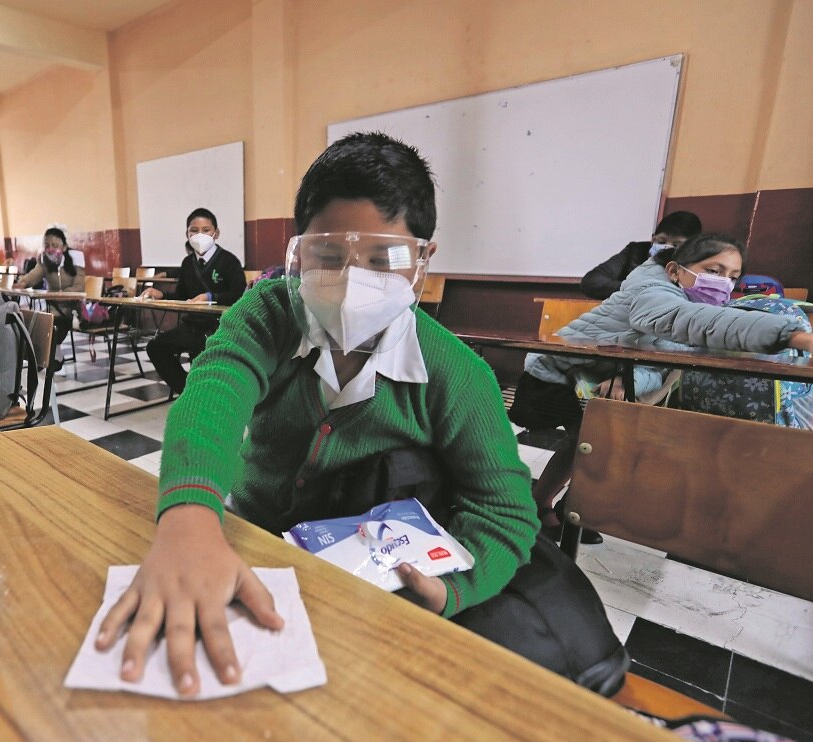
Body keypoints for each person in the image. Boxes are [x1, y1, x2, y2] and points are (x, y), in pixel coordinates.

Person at [97, 132, 540, 697]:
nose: (353, 280)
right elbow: (213, 393)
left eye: (385, 260)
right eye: (328, 256)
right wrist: (189, 517)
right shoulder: (271, 314)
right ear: (298, 250)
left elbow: (505, 512)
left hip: (369, 589)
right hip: (252, 545)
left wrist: (454, 589)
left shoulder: (456, 374)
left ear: (422, 259)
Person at [510, 233, 813, 542]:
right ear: (675, 270)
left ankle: (548, 506)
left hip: (602, 378)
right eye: (714, 270)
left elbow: (658, 361)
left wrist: (633, 382)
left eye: (733, 277)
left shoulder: (693, 300)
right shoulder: (652, 292)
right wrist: (792, 334)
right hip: (555, 373)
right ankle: (547, 508)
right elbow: (677, 324)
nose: (724, 284)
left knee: (589, 442)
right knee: (589, 443)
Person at [141, 208, 246, 395]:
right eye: (194, 230)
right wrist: (162, 295)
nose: (200, 235)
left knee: (202, 352)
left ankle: (207, 394)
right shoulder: (187, 263)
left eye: (206, 230)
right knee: (156, 347)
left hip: (220, 327)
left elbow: (238, 293)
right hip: (193, 326)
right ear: (187, 234)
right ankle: (189, 391)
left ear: (216, 233)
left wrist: (211, 297)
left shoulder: (229, 261)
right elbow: (182, 296)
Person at [580, 211, 702, 300]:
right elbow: (592, 280)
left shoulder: (694, 265)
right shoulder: (635, 251)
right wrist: (639, 289)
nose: (666, 247)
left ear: (690, 247)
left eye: (676, 245)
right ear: (652, 238)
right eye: (660, 241)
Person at [12, 226, 84, 368]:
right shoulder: (45, 261)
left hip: (71, 310)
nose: (50, 249)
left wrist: (62, 294)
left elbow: (79, 287)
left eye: (55, 245)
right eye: (47, 245)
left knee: (53, 324)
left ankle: (53, 356)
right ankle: (44, 357)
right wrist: (22, 283)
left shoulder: (75, 262)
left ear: (64, 247)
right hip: (51, 308)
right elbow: (34, 275)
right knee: (32, 320)